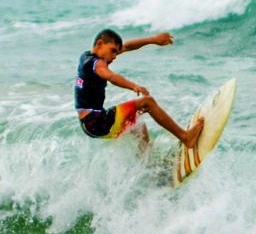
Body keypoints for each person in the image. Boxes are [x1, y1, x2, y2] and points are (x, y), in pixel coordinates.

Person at [74, 29, 203, 148]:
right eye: (113, 51)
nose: (115, 56)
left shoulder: (86, 57)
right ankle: (186, 137)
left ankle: (150, 163)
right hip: (96, 121)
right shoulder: (98, 64)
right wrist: (134, 86)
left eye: (116, 52)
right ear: (100, 43)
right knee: (148, 103)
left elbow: (127, 46)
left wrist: (153, 40)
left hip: (89, 125)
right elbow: (111, 76)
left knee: (138, 127)